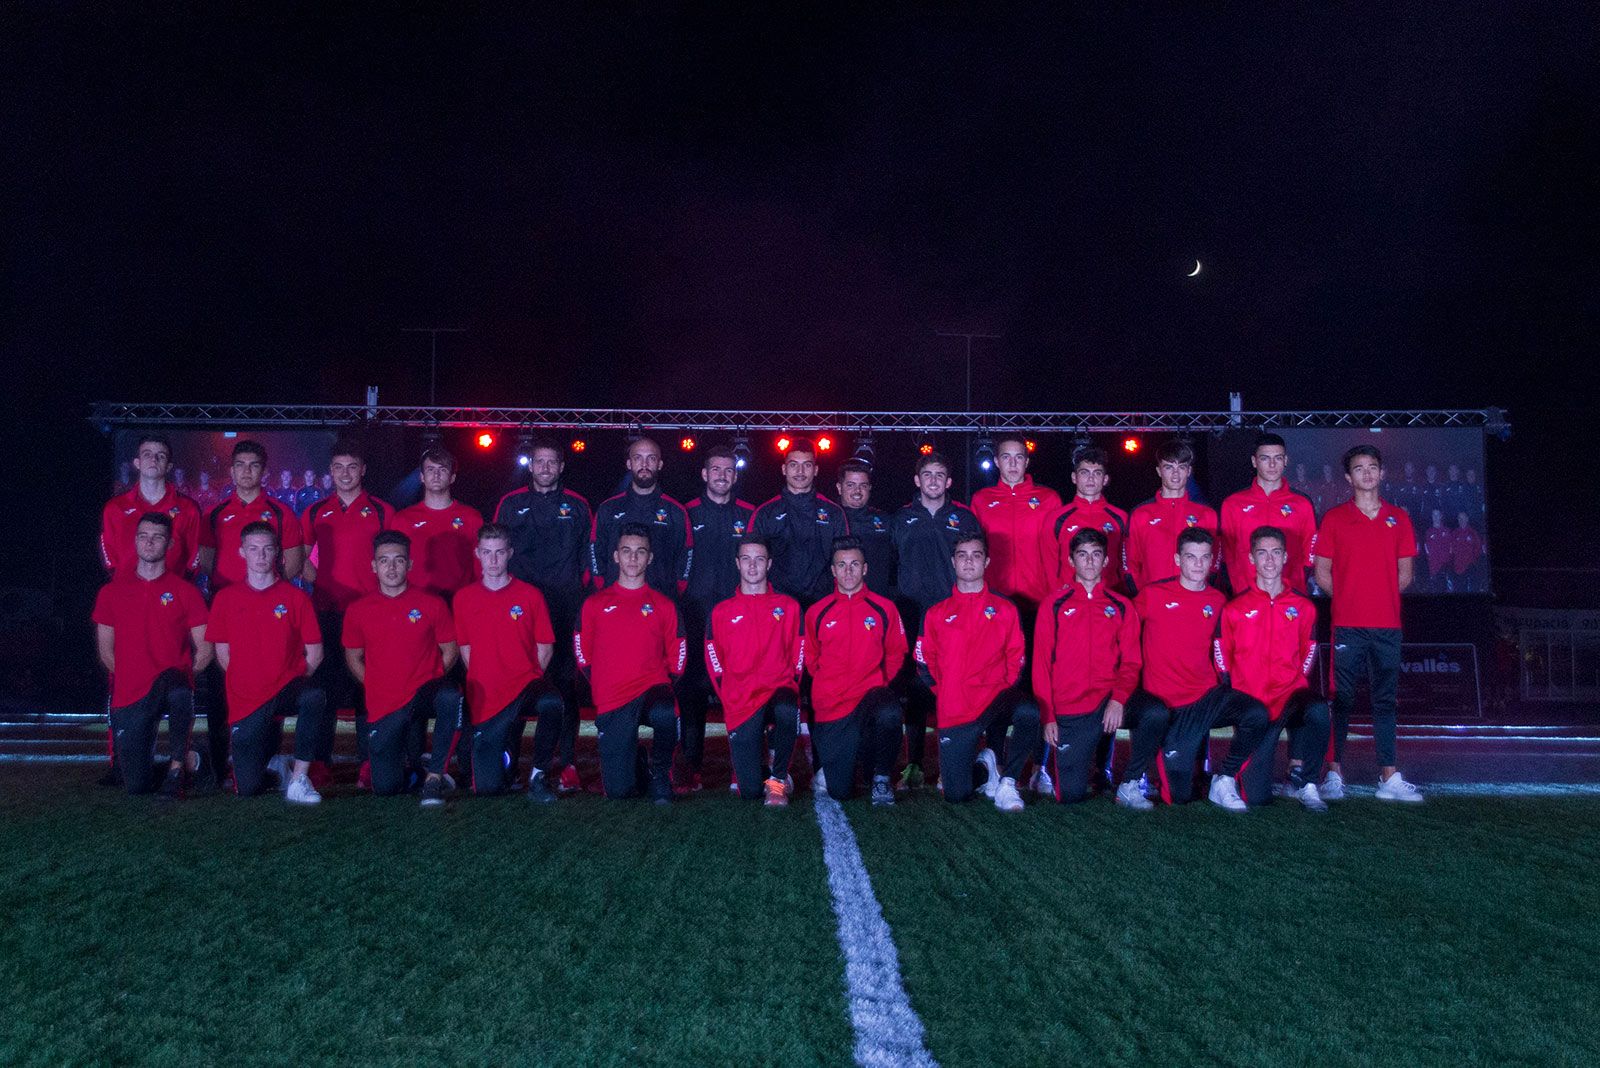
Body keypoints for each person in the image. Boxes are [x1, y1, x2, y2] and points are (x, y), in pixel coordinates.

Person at [1129, 528, 1270, 810]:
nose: (1198, 564)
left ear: (1212, 561)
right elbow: (1123, 633)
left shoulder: (1218, 601)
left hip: (1207, 697)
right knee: (1179, 796)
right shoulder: (1152, 595)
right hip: (1169, 706)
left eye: (1204, 558)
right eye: (1191, 557)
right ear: (1177, 559)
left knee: (1256, 713)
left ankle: (1225, 779)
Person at [1314, 445, 1423, 803]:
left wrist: (1380, 597)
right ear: (1348, 477)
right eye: (1359, 468)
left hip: (1387, 625)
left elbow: (1404, 574)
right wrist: (1348, 599)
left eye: (1372, 467)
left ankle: (1388, 776)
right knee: (1341, 698)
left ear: (1381, 473)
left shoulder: (1399, 518)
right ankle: (1333, 772)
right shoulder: (1334, 518)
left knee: (1385, 700)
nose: (1366, 473)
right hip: (1347, 624)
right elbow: (1323, 572)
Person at [493, 436, 594, 791]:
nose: (546, 468)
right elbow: (497, 553)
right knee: (517, 681)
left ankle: (567, 763)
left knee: (565, 686)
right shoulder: (510, 504)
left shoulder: (578, 505)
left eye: (552, 462)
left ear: (561, 466)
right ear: (530, 466)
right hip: (519, 609)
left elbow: (588, 557)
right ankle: (508, 761)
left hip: (564, 605)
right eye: (539, 462)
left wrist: (581, 598)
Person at [913, 532, 1039, 811]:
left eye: (976, 556)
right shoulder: (935, 613)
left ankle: (1007, 783)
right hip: (956, 708)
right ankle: (986, 768)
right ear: (953, 563)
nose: (969, 562)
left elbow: (1016, 657)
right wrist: (947, 691)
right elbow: (923, 662)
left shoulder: (1005, 609)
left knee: (1028, 710)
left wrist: (1000, 688)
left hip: (994, 700)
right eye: (962, 556)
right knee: (956, 794)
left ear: (987, 562)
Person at [205, 523, 329, 804]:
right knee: (248, 788)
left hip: (286, 687)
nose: (261, 556)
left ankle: (299, 779)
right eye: (253, 549)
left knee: (313, 696)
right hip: (246, 697)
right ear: (242, 552)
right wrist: (249, 679)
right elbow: (222, 654)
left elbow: (315, 652)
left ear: (278, 554)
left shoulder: (296, 598)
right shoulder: (225, 598)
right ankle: (279, 771)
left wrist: (291, 677)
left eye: (267, 549)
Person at [92, 512, 211, 796]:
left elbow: (204, 648)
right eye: (143, 537)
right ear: (135, 541)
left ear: (169, 544)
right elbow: (106, 650)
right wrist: (131, 677)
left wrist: (186, 673)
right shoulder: (111, 593)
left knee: (179, 689)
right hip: (130, 693)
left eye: (157, 537)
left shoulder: (185, 592)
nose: (149, 543)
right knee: (137, 787)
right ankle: (195, 758)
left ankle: (175, 770)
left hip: (170, 682)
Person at [342, 531, 464, 806]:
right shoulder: (358, 610)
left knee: (450, 696)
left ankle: (435, 777)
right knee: (386, 788)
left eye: (399, 560)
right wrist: (376, 684)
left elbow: (450, 650)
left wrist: (430, 680)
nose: (392, 567)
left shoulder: (431, 604)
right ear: (374, 566)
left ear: (410, 565)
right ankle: (415, 771)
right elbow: (353, 658)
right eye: (384, 561)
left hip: (422, 694)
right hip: (384, 703)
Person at [1215, 525, 1331, 810]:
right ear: (1251, 558)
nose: (1269, 560)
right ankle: (1225, 780)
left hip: (1289, 696)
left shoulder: (1303, 607)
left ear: (1285, 557)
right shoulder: (1234, 608)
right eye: (1262, 553)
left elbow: (1310, 649)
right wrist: (1236, 694)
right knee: (1256, 797)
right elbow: (1221, 653)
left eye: (1276, 553)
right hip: (1253, 706)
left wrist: (1294, 680)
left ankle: (1307, 783)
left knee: (1317, 709)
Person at [1031, 529, 1144, 806]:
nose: (1090, 562)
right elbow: (1041, 664)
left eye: (1096, 555)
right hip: (1071, 707)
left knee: (1154, 714)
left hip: (1108, 701)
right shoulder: (1053, 605)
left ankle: (1131, 782)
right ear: (1071, 561)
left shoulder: (1121, 606)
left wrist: (1118, 699)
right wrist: (1048, 716)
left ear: (1106, 561)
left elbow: (1131, 661)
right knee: (1069, 795)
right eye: (1083, 555)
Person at [452, 524, 565, 800]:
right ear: (477, 553)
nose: (493, 560)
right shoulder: (463, 598)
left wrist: (528, 677)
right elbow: (465, 649)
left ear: (510, 553)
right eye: (487, 553)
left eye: (499, 552)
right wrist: (489, 676)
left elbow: (545, 647)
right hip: (487, 696)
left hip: (525, 685)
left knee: (551, 702)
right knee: (488, 788)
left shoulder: (530, 595)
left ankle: (539, 775)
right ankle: (505, 758)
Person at [890, 451, 982, 788]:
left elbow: (977, 564)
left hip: (954, 618)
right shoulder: (900, 519)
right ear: (917, 481)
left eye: (939, 475)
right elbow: (891, 565)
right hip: (912, 616)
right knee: (915, 688)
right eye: (927, 474)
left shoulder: (965, 517)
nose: (933, 480)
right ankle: (913, 764)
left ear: (949, 482)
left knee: (954, 687)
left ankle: (952, 764)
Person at [574, 525, 686, 802]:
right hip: (613, 697)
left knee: (665, 712)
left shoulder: (662, 604)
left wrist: (666, 684)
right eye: (627, 552)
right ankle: (637, 759)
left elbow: (678, 651)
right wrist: (601, 679)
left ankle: (661, 776)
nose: (633, 559)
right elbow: (581, 651)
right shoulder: (595, 604)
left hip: (651, 688)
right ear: (615, 556)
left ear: (650, 558)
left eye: (640, 552)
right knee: (620, 792)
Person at [300, 440, 391, 767]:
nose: (345, 473)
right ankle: (320, 763)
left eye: (352, 467)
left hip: (369, 616)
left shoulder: (382, 511)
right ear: (330, 472)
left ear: (363, 470)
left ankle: (370, 762)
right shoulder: (315, 511)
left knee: (369, 686)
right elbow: (300, 560)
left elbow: (390, 558)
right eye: (338, 467)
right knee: (323, 688)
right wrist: (324, 582)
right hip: (326, 612)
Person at [805, 537, 906, 805]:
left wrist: (879, 682)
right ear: (833, 571)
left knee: (890, 711)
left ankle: (882, 778)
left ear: (865, 569)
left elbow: (896, 653)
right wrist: (831, 684)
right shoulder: (817, 612)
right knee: (839, 791)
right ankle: (843, 763)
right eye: (842, 565)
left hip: (869, 698)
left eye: (854, 565)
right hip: (833, 706)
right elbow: (811, 659)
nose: (848, 571)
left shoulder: (884, 608)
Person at [679, 445, 757, 790]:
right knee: (693, 693)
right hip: (696, 615)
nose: (722, 475)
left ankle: (743, 767)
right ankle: (691, 768)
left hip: (740, 621)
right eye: (716, 469)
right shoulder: (685, 513)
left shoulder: (750, 515)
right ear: (704, 474)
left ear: (735, 476)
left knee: (744, 692)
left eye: (728, 470)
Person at [705, 537, 804, 805]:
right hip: (741, 700)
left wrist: (791, 686)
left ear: (769, 564)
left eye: (759, 559)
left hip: (777, 690)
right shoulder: (722, 611)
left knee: (787, 707)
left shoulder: (788, 606)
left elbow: (799, 651)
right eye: (746, 559)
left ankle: (778, 780)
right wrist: (728, 695)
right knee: (748, 792)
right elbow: (714, 659)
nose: (752, 566)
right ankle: (761, 767)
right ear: (737, 563)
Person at [750, 438, 849, 608]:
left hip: (823, 602)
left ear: (816, 470)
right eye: (794, 464)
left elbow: (845, 561)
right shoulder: (765, 513)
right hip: (777, 605)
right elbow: (751, 564)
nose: (800, 471)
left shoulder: (833, 513)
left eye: (807, 465)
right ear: (784, 469)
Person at [199, 439, 306, 591]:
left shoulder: (282, 513)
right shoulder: (213, 513)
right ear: (232, 471)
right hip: (224, 598)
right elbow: (206, 562)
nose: (246, 471)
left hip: (268, 600)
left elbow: (294, 563)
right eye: (240, 465)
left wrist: (267, 588)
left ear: (264, 472)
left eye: (254, 465)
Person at [590, 437, 692, 595]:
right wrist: (602, 585)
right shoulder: (608, 508)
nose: (644, 465)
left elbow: (686, 554)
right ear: (629, 464)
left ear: (660, 464)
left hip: (661, 598)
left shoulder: (675, 511)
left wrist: (676, 589)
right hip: (615, 597)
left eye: (651, 458)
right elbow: (595, 550)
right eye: (638, 458)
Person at [970, 435, 1061, 613]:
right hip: (995, 597)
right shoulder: (981, 500)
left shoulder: (1049, 499)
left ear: (1026, 462)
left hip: (1039, 596)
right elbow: (973, 549)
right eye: (1006, 457)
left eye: (1018, 457)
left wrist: (1057, 590)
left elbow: (1062, 549)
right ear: (996, 461)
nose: (1012, 464)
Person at [1219, 433, 1316, 596]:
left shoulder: (1301, 503)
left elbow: (1310, 550)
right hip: (1246, 595)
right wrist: (1238, 586)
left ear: (1286, 461)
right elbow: (1226, 554)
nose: (1272, 464)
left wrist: (1296, 584)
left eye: (1278, 458)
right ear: (1254, 461)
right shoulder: (1233, 504)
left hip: (1290, 596)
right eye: (1265, 458)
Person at [100, 434, 204, 579]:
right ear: (137, 463)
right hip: (125, 590)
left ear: (169, 466)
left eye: (160, 456)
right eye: (147, 454)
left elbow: (195, 555)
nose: (153, 459)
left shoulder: (188, 508)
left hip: (170, 595)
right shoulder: (115, 508)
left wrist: (179, 585)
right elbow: (108, 554)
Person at [1125, 440, 1219, 593]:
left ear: (1189, 471)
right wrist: (1143, 598)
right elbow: (1130, 564)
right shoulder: (1141, 514)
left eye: (1181, 467)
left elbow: (1215, 561)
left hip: (1196, 598)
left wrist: (1205, 592)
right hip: (1153, 599)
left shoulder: (1206, 514)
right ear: (1159, 471)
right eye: (1169, 467)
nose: (1175, 474)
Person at [393, 447, 484, 600]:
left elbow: (481, 563)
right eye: (430, 470)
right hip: (416, 601)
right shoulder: (403, 519)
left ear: (452, 477)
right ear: (421, 477)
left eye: (442, 470)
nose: (436, 475)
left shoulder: (471, 517)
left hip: (460, 598)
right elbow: (394, 563)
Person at [1041, 446, 1130, 591]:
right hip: (1070, 599)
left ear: (1105, 479)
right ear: (1074, 478)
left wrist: (1121, 592)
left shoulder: (1120, 518)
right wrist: (1058, 595)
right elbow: (1048, 564)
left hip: (1109, 598)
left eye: (1097, 473)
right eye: (1084, 473)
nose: (1090, 478)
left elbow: (1126, 562)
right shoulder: (1057, 519)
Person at [835, 459, 896, 598]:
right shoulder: (830, 519)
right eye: (850, 485)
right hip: (838, 600)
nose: (857, 491)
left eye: (863, 485)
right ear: (839, 488)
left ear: (869, 488)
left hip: (877, 599)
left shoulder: (885, 520)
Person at [1423, 509, 1453, 592]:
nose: (1435, 517)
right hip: (1433, 569)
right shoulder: (1428, 532)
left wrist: (1448, 563)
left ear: (1441, 516)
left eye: (1437, 515)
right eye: (1433, 515)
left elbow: (1451, 548)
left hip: (1445, 569)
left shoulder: (1447, 531)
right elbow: (1426, 550)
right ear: (1431, 517)